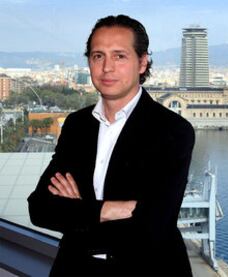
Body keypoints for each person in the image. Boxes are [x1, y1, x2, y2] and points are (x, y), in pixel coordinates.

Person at [27, 14, 195, 276]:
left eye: (119, 56)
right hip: (75, 269)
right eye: (98, 56)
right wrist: (113, 209)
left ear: (142, 62)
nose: (107, 67)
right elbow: (39, 208)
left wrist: (78, 212)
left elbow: (152, 229)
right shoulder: (77, 125)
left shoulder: (172, 131)